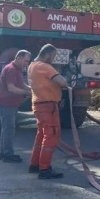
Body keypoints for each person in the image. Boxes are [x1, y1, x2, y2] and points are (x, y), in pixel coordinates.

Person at [27, 44, 68, 179]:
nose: (53, 59)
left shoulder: (32, 65)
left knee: (41, 136)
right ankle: (44, 169)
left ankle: (34, 164)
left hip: (39, 105)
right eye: (53, 56)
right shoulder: (44, 67)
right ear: (48, 54)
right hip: (47, 106)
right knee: (51, 136)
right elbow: (62, 82)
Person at [0, 50, 32, 163]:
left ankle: (4, 153)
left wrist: (31, 89)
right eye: (25, 61)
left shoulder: (17, 69)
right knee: (9, 129)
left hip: (11, 104)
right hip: (6, 103)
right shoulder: (11, 69)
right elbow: (11, 88)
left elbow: (21, 85)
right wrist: (28, 93)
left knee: (6, 129)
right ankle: (8, 154)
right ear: (19, 57)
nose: (26, 64)